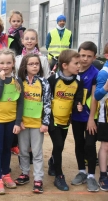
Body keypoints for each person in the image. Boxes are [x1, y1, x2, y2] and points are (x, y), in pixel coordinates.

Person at [47, 49, 84, 191]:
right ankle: (59, 176)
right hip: (52, 119)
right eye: (76, 63)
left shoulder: (78, 81)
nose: (79, 66)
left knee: (59, 145)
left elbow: (78, 97)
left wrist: (78, 105)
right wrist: (46, 119)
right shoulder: (53, 80)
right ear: (65, 65)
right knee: (58, 145)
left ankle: (52, 162)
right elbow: (46, 99)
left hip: (65, 119)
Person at [0, 48, 24, 195]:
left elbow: (21, 103)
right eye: (2, 62)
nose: (5, 66)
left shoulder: (18, 81)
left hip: (11, 121)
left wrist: (17, 122)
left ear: (13, 63)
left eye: (8, 63)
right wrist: (2, 81)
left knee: (7, 148)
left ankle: (6, 174)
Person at [16, 54, 51, 193]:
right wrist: (18, 122)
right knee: (23, 150)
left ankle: (38, 179)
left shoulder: (44, 82)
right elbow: (16, 103)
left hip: (38, 124)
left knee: (36, 152)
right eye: (31, 64)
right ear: (25, 66)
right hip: (23, 123)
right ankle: (25, 173)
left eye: (37, 64)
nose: (35, 66)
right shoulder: (20, 82)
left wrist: (45, 122)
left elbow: (47, 103)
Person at [70, 41, 99, 192]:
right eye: (82, 55)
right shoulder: (73, 70)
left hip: (89, 117)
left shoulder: (95, 73)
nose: (85, 59)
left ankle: (92, 176)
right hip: (75, 116)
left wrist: (91, 119)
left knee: (89, 145)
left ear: (94, 57)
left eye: (89, 56)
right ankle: (82, 171)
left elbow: (94, 97)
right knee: (79, 143)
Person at [94, 42, 108, 191]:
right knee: (105, 146)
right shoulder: (104, 72)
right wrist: (105, 87)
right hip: (106, 115)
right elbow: (97, 95)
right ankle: (103, 175)